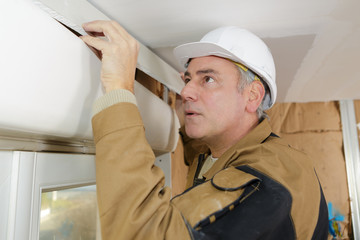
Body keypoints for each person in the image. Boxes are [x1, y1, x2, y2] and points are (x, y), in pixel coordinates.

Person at [81, 20, 329, 239]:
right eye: (188, 79)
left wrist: (119, 89)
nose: (185, 91)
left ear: (252, 95)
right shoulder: (230, 152)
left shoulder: (265, 180)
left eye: (208, 79)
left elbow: (143, 233)